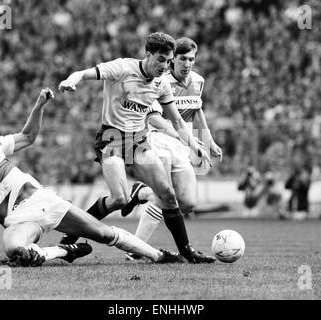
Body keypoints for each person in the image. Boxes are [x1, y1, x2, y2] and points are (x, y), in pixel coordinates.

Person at [0, 88, 182, 267]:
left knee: (105, 234)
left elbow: (28, 136)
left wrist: (39, 105)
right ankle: (61, 251)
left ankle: (160, 255)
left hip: (44, 201)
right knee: (16, 251)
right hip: (19, 221)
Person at [58, 33, 215, 263]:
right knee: (119, 199)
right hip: (111, 139)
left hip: (139, 141)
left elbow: (178, 122)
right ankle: (71, 234)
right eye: (161, 59)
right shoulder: (122, 68)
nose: (164, 66)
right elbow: (84, 73)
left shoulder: (161, 85)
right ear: (148, 54)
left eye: (168, 60)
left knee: (168, 195)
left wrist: (194, 144)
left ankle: (187, 252)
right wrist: (71, 81)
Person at [117, 37, 223, 258]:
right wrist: (183, 138)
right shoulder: (159, 81)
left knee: (188, 203)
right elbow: (154, 119)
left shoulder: (198, 81)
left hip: (180, 144)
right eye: (183, 59)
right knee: (165, 194)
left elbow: (197, 110)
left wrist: (208, 140)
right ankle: (136, 249)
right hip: (156, 139)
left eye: (191, 59)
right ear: (173, 61)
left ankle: (141, 192)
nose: (187, 64)